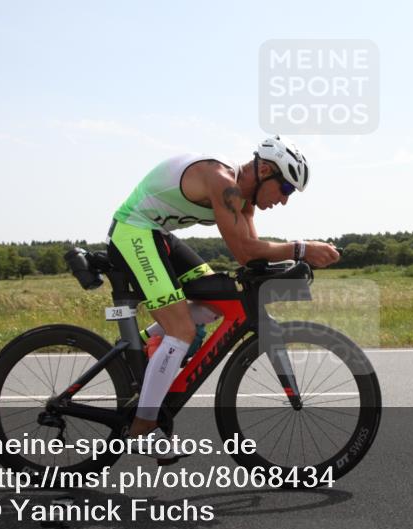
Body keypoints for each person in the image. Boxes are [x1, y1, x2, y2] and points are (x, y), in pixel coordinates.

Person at [106, 136, 340, 459]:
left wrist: (290, 266)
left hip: (158, 235)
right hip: (133, 231)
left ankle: (143, 347)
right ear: (265, 170)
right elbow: (245, 250)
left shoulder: (244, 201)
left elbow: (253, 259)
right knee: (182, 330)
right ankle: (142, 429)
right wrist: (301, 249)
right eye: (285, 188)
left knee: (216, 303)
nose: (284, 201)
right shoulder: (222, 182)